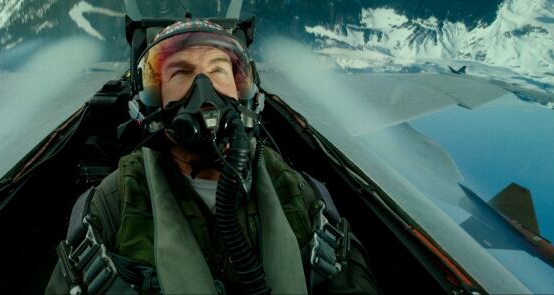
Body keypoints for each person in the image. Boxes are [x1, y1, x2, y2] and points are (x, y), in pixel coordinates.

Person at [46, 19, 379, 294]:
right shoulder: (115, 201)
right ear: (153, 100)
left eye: (219, 70)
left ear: (242, 90)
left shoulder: (296, 192)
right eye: (180, 73)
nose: (204, 90)